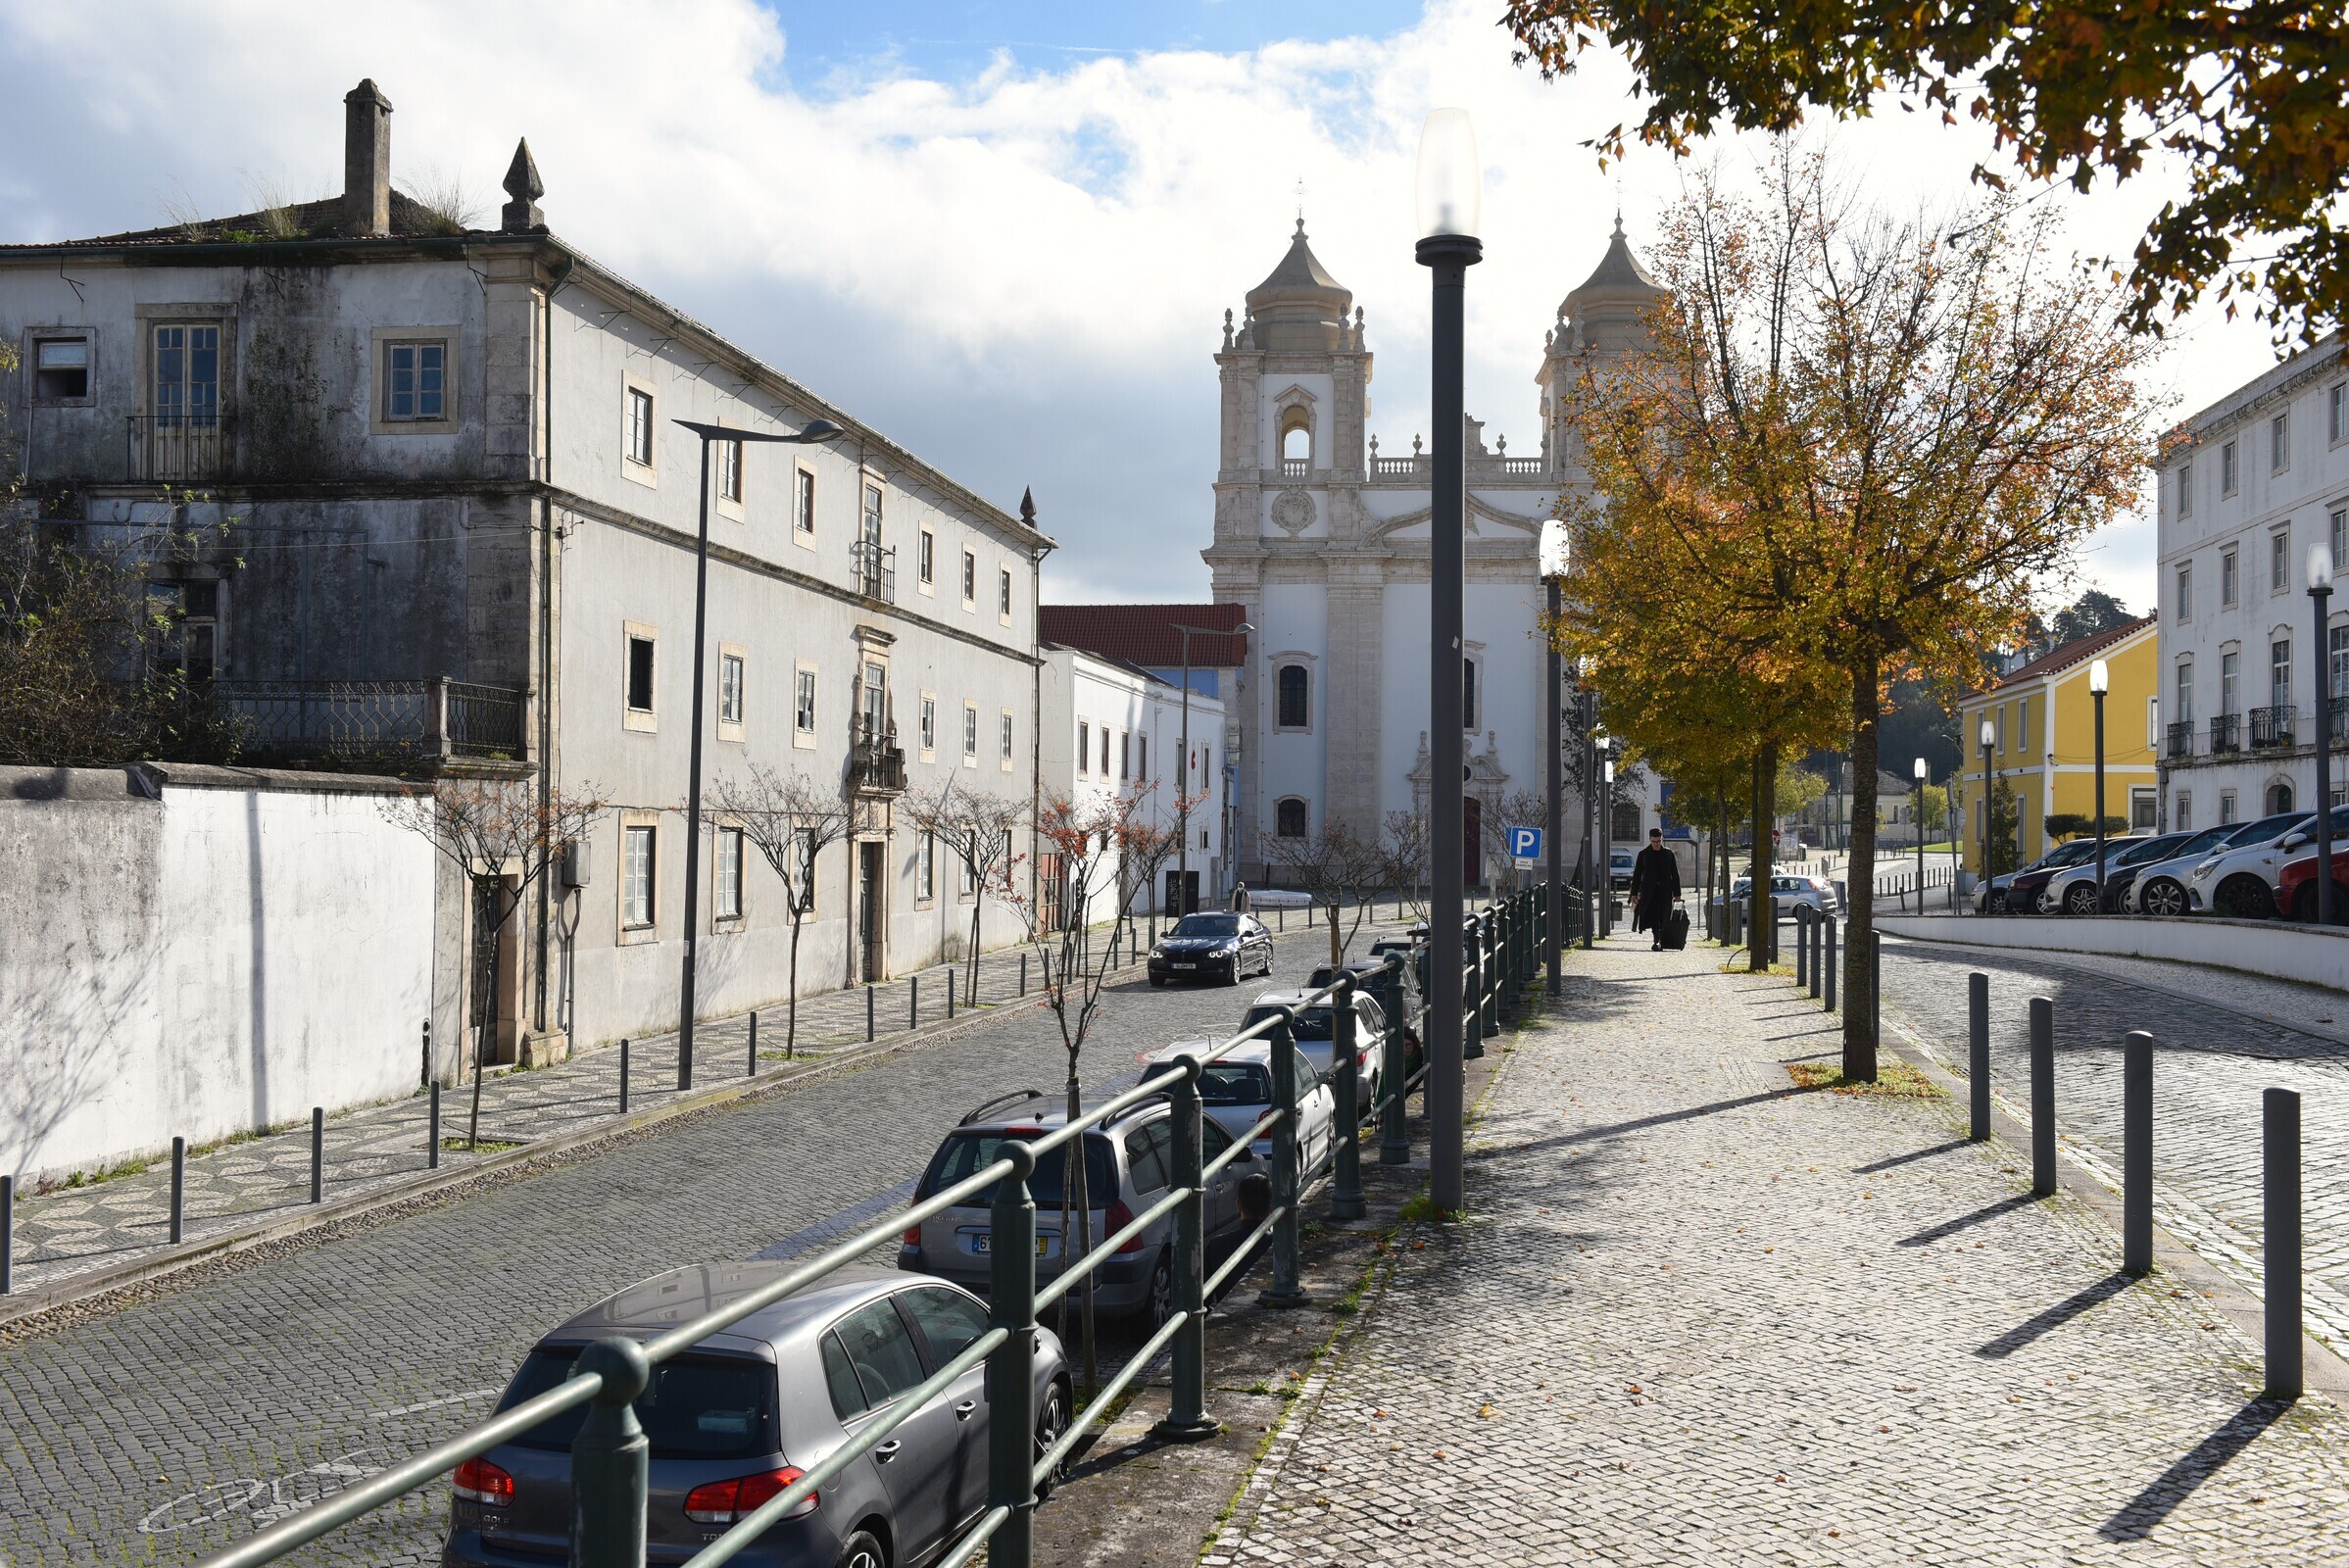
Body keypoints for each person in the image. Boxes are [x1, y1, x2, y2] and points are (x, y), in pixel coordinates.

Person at [1628, 827, 1682, 949]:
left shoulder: (1669, 854)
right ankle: (1657, 939)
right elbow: (1637, 875)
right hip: (1649, 891)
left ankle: (1662, 939)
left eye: (1658, 841)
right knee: (1653, 915)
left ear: (1662, 839)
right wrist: (1634, 894)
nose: (1656, 844)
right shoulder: (1644, 854)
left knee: (1664, 915)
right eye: (1654, 841)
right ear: (1650, 840)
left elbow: (1675, 874)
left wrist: (1677, 894)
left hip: (1665, 891)